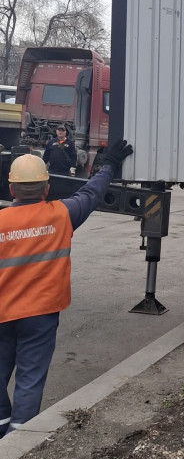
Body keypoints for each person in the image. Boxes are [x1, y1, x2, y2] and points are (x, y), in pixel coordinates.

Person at [0, 139, 134, 438]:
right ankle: (17, 441)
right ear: (46, 189)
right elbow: (91, 193)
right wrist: (108, 165)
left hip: (2, 314)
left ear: (12, 190)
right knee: (30, 377)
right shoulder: (62, 215)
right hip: (40, 314)